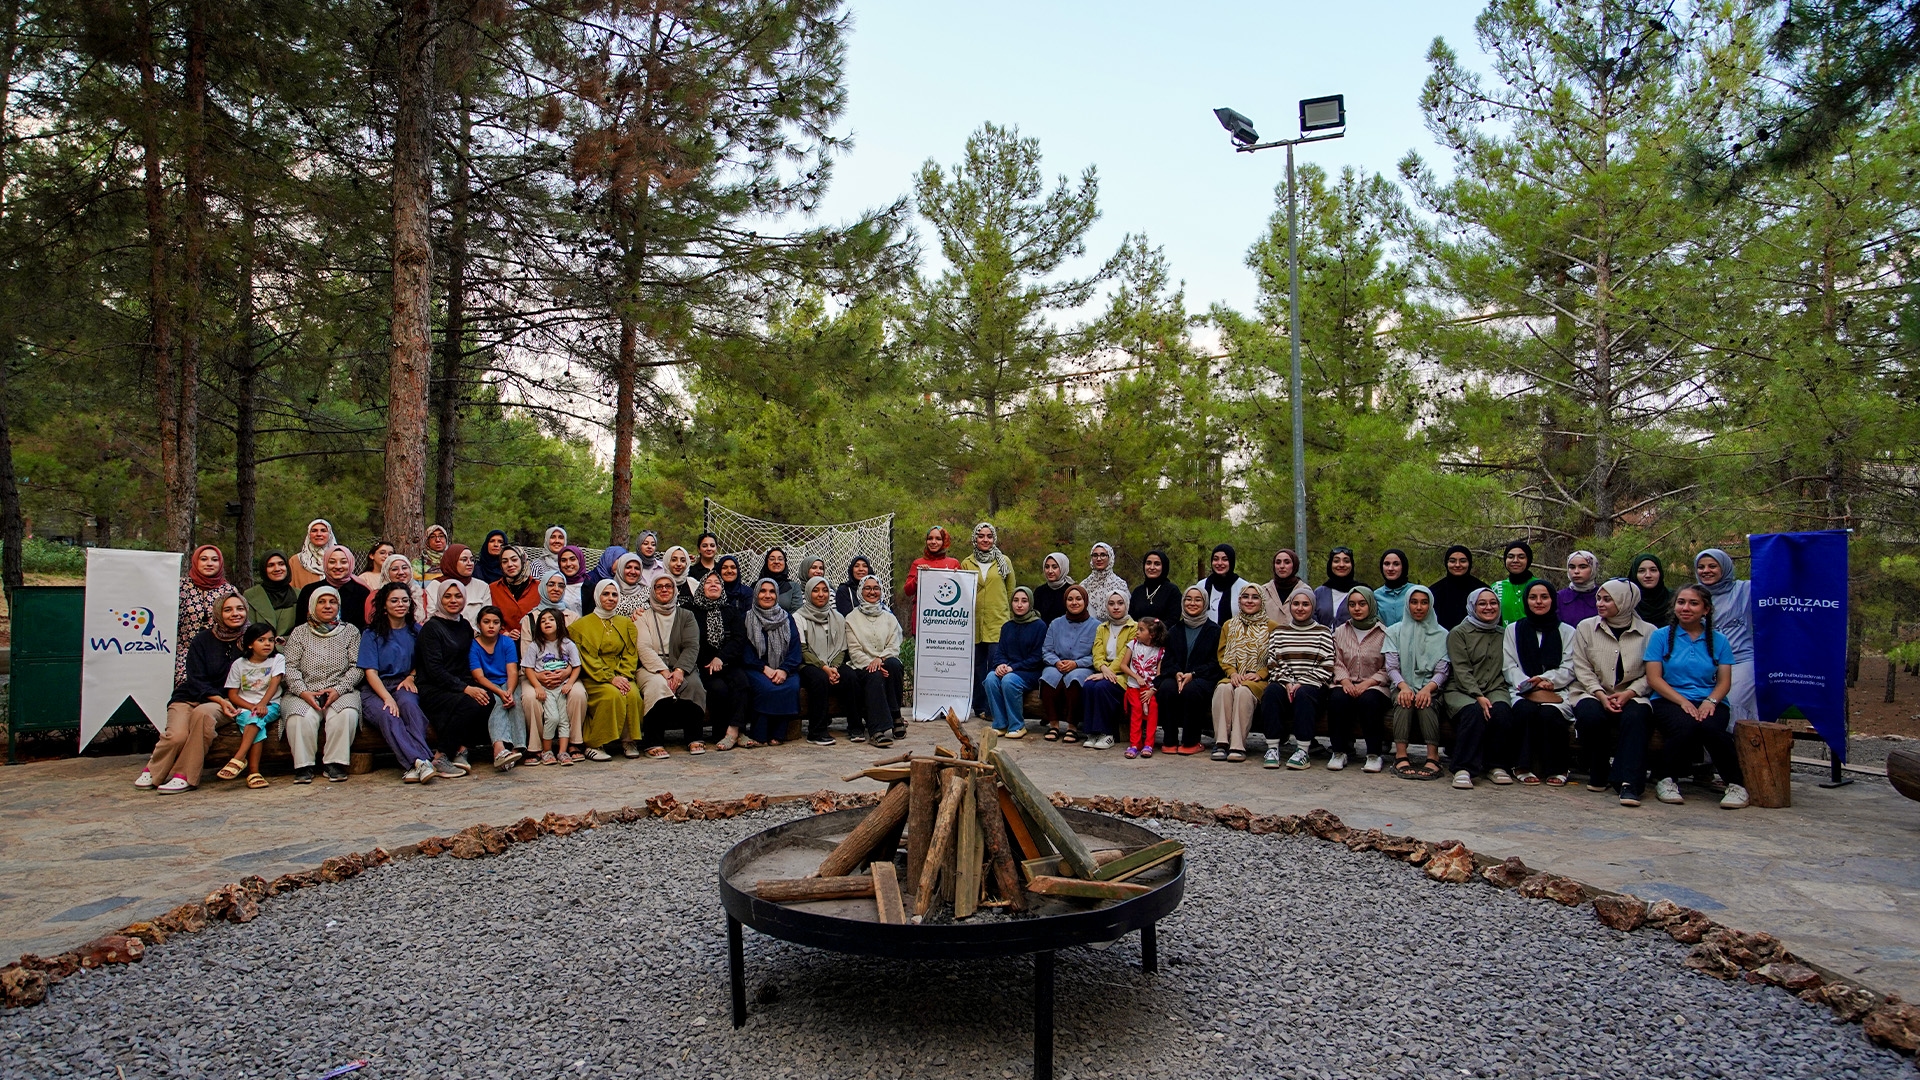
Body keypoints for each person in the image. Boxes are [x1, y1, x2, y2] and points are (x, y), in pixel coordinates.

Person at [1645, 583, 1749, 809]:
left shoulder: (1719, 640)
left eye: (1693, 603)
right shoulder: (1661, 636)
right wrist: (1682, 701)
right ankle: (1666, 779)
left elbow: (1724, 681)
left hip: (1709, 700)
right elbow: (1654, 679)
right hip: (1668, 699)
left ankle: (1736, 785)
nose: (1686, 607)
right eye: (1681, 602)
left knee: (1712, 729)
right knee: (1685, 726)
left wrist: (1710, 702)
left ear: (1706, 609)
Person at [138, 594, 249, 794]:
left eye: (240, 609)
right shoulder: (203, 639)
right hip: (190, 696)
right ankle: (154, 771)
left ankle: (184, 775)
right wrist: (215, 699)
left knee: (203, 716)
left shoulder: (252, 638)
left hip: (226, 700)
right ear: (218, 613)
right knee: (177, 736)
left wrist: (224, 702)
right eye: (228, 609)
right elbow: (195, 678)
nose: (235, 614)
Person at [1569, 579, 1657, 806]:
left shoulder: (1649, 632)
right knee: (1590, 715)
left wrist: (1630, 693)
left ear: (1625, 601)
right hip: (1593, 691)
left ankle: (1629, 782)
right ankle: (1598, 768)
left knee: (1636, 718)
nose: (1600, 603)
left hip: (1632, 694)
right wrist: (1599, 694)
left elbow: (1652, 673)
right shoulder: (1586, 627)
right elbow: (1581, 667)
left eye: (1607, 599)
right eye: (1599, 598)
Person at [279, 585, 364, 784]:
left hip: (340, 689)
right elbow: (290, 667)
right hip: (304, 690)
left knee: (346, 713)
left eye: (332, 602)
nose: (327, 606)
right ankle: (304, 766)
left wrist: (338, 689)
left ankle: (335, 764)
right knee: (299, 717)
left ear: (339, 605)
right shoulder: (299, 633)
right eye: (322, 602)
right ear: (312, 606)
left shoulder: (350, 632)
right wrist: (303, 692)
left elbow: (357, 667)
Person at [359, 582, 438, 784]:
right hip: (377, 687)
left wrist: (412, 676)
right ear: (384, 605)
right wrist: (387, 698)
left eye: (404, 600)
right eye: (394, 600)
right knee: (389, 713)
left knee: (410, 706)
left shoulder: (416, 631)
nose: (400, 604)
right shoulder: (371, 634)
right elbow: (370, 672)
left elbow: (424, 661)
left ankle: (416, 765)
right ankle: (421, 760)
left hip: (405, 682)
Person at [415, 580, 492, 778]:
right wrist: (465, 688)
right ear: (439, 599)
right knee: (470, 703)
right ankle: (442, 755)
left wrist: (472, 685)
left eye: (458, 596)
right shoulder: (431, 629)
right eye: (447, 596)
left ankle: (461, 748)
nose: (453, 600)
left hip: (459, 683)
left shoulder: (464, 626)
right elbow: (434, 670)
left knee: (489, 699)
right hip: (434, 686)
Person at [1503, 581, 1577, 785]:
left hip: (1557, 690)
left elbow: (1569, 666)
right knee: (1525, 711)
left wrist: (1547, 680)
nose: (1538, 602)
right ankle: (1521, 765)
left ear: (1552, 600)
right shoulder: (1513, 629)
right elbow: (1509, 665)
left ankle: (1557, 768)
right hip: (1522, 689)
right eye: (1533, 597)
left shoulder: (1567, 631)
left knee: (1549, 714)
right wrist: (1529, 683)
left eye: (1544, 597)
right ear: (1526, 601)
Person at [1256, 584, 1335, 770]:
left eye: (1305, 604)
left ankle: (1302, 750)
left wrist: (1300, 683)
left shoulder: (1323, 632)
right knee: (1271, 692)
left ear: (1312, 607)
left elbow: (1327, 665)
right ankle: (1273, 748)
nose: (1300, 608)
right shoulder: (1280, 632)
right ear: (1290, 606)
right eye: (1296, 603)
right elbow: (1274, 663)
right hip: (1285, 684)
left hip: (1313, 686)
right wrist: (1288, 683)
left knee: (1304, 695)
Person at [1444, 588, 1517, 789]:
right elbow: (1461, 670)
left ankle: (1496, 765)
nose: (1488, 607)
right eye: (1482, 603)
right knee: (1474, 712)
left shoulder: (1503, 634)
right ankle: (1463, 768)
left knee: (1501, 711)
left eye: (1493, 603)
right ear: (1472, 606)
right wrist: (1478, 695)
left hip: (1494, 686)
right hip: (1461, 689)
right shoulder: (1459, 633)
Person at [632, 573, 706, 755]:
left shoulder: (686, 616)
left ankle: (694, 737)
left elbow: (691, 646)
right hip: (651, 667)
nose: (664, 589)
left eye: (668, 586)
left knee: (694, 685)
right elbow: (644, 647)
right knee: (657, 686)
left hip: (681, 665)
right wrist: (664, 672)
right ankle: (653, 741)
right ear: (653, 591)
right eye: (659, 587)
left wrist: (680, 670)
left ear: (675, 590)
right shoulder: (642, 617)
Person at [1384, 585, 1451, 780]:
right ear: (1407, 605)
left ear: (1430, 605)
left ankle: (1432, 756)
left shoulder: (1442, 634)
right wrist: (1403, 686)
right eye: (1414, 602)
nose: (1419, 607)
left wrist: (1428, 689)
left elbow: (1442, 671)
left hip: (1431, 687)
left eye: (1424, 602)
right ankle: (1401, 754)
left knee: (1426, 703)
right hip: (1401, 684)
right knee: (1404, 702)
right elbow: (1391, 667)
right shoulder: (1394, 631)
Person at [574, 579, 644, 761]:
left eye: (614, 594)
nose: (611, 598)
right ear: (597, 596)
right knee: (610, 695)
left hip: (622, 674)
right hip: (594, 676)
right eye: (606, 594)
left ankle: (629, 741)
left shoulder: (626, 623)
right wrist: (610, 678)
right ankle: (595, 743)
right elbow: (586, 658)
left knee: (632, 694)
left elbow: (631, 653)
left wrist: (623, 675)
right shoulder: (581, 626)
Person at [212, 622, 283, 790]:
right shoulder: (239, 664)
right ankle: (253, 773)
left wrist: (262, 704)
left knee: (255, 719)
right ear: (250, 644)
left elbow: (275, 683)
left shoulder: (277, 659)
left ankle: (239, 757)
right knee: (255, 722)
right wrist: (252, 706)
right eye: (261, 640)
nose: (267, 644)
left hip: (271, 705)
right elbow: (233, 695)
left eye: (271, 640)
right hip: (246, 708)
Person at [1328, 586, 1392, 772]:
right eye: (1353, 604)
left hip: (1375, 686)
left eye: (1362, 604)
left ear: (1371, 605)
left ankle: (1373, 754)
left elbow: (1388, 665)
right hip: (1345, 683)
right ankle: (1339, 752)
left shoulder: (1384, 633)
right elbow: (1335, 660)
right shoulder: (1340, 631)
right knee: (1337, 699)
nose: (1357, 608)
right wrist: (1345, 680)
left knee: (1369, 701)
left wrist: (1369, 683)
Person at [1210, 583, 1273, 762]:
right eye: (1246, 597)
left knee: (1243, 691)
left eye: (1255, 597)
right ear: (1239, 600)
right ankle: (1221, 742)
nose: (1250, 601)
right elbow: (1222, 655)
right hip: (1234, 675)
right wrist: (1232, 673)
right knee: (1223, 689)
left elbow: (1276, 658)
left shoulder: (1271, 626)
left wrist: (1260, 673)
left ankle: (1238, 745)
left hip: (1258, 679)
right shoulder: (1229, 625)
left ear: (1262, 601)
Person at [1156, 587, 1221, 755]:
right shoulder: (1175, 630)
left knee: (1191, 691)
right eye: (1189, 599)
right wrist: (1177, 673)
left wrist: (1193, 674)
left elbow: (1216, 663)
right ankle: (1169, 740)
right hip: (1176, 676)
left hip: (1203, 678)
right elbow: (1168, 660)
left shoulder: (1214, 631)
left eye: (1198, 599)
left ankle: (1191, 742)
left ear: (1205, 603)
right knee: (1166, 689)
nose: (1192, 603)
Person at [1694, 548, 1756, 723]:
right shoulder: (1695, 595)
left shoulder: (1745, 590)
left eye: (1712, 566)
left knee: (1732, 706)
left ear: (1724, 567)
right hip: (1707, 663)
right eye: (1701, 567)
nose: (1706, 571)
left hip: (1741, 660)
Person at [691, 572, 751, 751]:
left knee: (742, 682)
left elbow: (739, 639)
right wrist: (710, 661)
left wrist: (721, 658)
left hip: (728, 662)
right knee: (718, 689)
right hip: (704, 666)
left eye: (717, 582)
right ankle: (721, 732)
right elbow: (693, 641)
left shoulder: (730, 610)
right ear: (702, 587)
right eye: (708, 582)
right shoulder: (692, 612)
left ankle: (734, 731)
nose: (713, 585)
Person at [518, 607, 585, 766]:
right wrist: (537, 686)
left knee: (563, 720)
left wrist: (569, 683)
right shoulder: (536, 645)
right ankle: (546, 751)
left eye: (551, 619)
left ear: (560, 623)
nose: (547, 622)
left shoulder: (568, 644)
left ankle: (563, 752)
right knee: (552, 718)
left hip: (562, 687)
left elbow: (576, 666)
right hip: (545, 688)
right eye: (543, 620)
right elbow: (528, 667)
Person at [844, 576, 906, 745]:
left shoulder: (889, 617)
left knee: (894, 665)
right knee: (874, 675)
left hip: (884, 660)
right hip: (861, 665)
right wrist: (872, 663)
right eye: (867, 588)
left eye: (876, 588)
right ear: (860, 591)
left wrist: (880, 659)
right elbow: (854, 651)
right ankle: (876, 729)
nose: (872, 592)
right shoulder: (851, 618)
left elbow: (894, 645)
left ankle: (895, 715)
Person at [741, 578, 803, 746]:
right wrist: (764, 669)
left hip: (784, 668)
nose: (767, 595)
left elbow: (795, 649)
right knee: (766, 688)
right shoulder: (746, 618)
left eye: (771, 591)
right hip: (756, 668)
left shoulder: (787, 618)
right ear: (756, 594)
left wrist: (784, 670)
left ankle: (778, 733)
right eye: (763, 591)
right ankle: (760, 733)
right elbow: (745, 651)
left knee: (790, 686)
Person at [967, 522, 1017, 717]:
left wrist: (1013, 619)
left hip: (999, 621)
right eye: (981, 536)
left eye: (989, 536)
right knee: (978, 667)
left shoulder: (1004, 561)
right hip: (975, 623)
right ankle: (979, 707)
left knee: (995, 666)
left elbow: (1011, 590)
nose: (985, 539)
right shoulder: (967, 562)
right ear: (975, 538)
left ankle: (993, 708)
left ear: (994, 538)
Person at [796, 577, 854, 746]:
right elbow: (803, 650)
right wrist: (825, 668)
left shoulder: (838, 617)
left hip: (832, 663)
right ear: (808, 593)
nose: (821, 594)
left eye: (825, 590)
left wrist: (834, 667)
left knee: (850, 676)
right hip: (808, 665)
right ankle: (817, 731)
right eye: (816, 590)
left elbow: (841, 647)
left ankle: (855, 726)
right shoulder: (798, 617)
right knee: (819, 679)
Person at [983, 586, 1046, 737]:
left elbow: (1038, 657)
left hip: (1030, 672)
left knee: (1009, 681)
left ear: (1030, 603)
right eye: (1016, 601)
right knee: (991, 678)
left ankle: (1017, 725)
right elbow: (1000, 652)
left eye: (1024, 601)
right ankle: (1000, 724)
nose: (1019, 604)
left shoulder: (1039, 626)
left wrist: (1013, 668)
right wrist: (1000, 665)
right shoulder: (1007, 626)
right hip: (1009, 670)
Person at [468, 606, 525, 772]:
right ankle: (499, 748)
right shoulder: (474, 646)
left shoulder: (506, 642)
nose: (491, 626)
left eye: (495, 622)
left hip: (507, 682)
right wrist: (501, 693)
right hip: (486, 683)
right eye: (486, 622)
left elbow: (512, 671)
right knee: (497, 702)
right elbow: (479, 676)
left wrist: (509, 690)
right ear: (479, 625)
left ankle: (518, 748)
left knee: (516, 700)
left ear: (501, 626)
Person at [1079, 590, 1137, 751]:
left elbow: (1126, 654)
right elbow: (1097, 653)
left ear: (1127, 605)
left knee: (1102, 687)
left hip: (1124, 674)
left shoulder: (1134, 627)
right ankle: (1092, 732)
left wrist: (1108, 672)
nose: (1116, 607)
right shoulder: (1102, 627)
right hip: (1103, 671)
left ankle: (1107, 733)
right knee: (1089, 686)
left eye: (1120, 603)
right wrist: (1103, 669)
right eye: (1111, 604)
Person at [1039, 584, 1097, 742]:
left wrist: (1076, 664)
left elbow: (1096, 656)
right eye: (1070, 599)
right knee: (1048, 678)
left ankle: (1072, 726)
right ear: (1065, 602)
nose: (1074, 602)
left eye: (1078, 599)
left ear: (1085, 601)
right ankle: (1054, 725)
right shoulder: (1055, 624)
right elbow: (1046, 650)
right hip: (1057, 664)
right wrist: (1056, 663)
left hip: (1082, 667)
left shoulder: (1096, 626)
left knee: (1076, 680)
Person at [176, 544, 241, 684]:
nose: (209, 563)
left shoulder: (228, 590)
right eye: (204, 559)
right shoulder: (180, 587)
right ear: (196, 561)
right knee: (187, 686)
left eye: (214, 559)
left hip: (218, 653)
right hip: (183, 653)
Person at [294, 544, 372, 632]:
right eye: (332, 562)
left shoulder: (362, 592)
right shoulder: (309, 591)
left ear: (350, 563)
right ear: (325, 564)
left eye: (343, 562)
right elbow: (300, 626)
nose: (338, 566)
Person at [902, 526, 961, 635]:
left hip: (946, 620)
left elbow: (961, 594)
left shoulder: (954, 563)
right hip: (923, 619)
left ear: (944, 541)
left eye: (938, 539)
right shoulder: (918, 563)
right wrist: (917, 578)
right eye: (930, 538)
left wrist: (960, 577)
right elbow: (907, 591)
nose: (933, 542)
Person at [1123, 617, 1167, 758]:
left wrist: (1152, 690)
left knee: (1152, 709)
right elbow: (1123, 665)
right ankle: (1135, 744)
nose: (1137, 632)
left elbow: (1159, 674)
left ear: (1152, 634)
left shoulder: (1160, 651)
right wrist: (1136, 677)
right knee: (1136, 709)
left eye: (1141, 630)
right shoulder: (1133, 645)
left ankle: (1149, 743)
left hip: (1150, 689)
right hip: (1134, 687)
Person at [1428, 545, 1488, 630]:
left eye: (1463, 561)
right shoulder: (1434, 591)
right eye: (1452, 561)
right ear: (1446, 563)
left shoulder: (1482, 590)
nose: (1457, 565)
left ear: (1469, 563)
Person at [243, 549, 299, 640]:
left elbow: (303, 630)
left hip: (292, 649)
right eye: (271, 565)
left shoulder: (299, 595)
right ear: (264, 569)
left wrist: (285, 640)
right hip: (260, 650)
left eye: (281, 564)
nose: (277, 569)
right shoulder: (251, 595)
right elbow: (249, 630)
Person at [1193, 543, 1252, 625]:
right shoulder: (1202, 586)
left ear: (1231, 561)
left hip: (1234, 635)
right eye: (1216, 559)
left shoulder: (1244, 587)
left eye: (1224, 559)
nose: (1219, 563)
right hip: (1206, 635)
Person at [489, 547, 541, 637]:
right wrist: (504, 633)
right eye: (505, 561)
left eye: (514, 560)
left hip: (534, 643)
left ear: (522, 561)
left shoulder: (539, 587)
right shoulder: (493, 588)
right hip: (503, 644)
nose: (510, 564)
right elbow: (488, 617)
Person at [437, 544, 494, 625]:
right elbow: (431, 615)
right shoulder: (437, 585)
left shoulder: (482, 586)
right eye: (464, 559)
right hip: (444, 634)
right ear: (452, 561)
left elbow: (487, 617)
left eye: (472, 560)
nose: (469, 563)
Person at [1490, 540, 1543, 625]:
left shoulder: (1540, 586)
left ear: (1528, 560)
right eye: (1510, 557)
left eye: (1521, 557)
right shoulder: (1496, 588)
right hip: (1504, 637)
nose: (1515, 560)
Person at [365, 553, 426, 626]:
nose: (401, 572)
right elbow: (371, 621)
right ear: (386, 573)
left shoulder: (421, 593)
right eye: (394, 569)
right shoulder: (376, 595)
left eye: (404, 568)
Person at [1129, 550, 1181, 626]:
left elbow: (1173, 620)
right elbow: (1131, 618)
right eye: (1148, 563)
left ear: (1164, 566)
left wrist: (1152, 633)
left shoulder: (1172, 591)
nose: (1152, 567)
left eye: (1157, 564)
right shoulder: (1138, 591)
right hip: (1138, 635)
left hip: (1164, 636)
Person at [1312, 546, 1360, 629]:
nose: (1341, 565)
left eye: (1346, 561)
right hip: (1322, 640)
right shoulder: (1319, 593)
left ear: (1352, 565)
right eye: (1336, 561)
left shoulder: (1360, 592)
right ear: (1330, 564)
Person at [1257, 548, 1304, 624]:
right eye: (1278, 562)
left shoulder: (1305, 591)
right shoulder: (1263, 591)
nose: (1282, 566)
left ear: (1294, 565)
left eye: (1287, 562)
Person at [1557, 550, 1601, 627]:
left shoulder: (1602, 596)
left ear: (1593, 568)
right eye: (1572, 567)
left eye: (1582, 567)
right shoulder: (1558, 597)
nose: (1576, 571)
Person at [1373, 549, 1415, 628]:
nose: (1390, 568)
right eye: (1386, 564)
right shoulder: (1376, 595)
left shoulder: (1415, 591)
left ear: (1403, 566)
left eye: (1396, 564)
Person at [290, 519, 335, 590]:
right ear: (309, 534)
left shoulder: (338, 559)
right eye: (314, 531)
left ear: (330, 534)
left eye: (323, 530)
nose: (319, 534)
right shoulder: (296, 561)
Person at [1631, 553, 1673, 627]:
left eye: (1653, 570)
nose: (1648, 575)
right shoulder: (1628, 602)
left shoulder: (1674, 599)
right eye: (1641, 571)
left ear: (1660, 573)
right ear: (1634, 574)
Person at [757, 546, 802, 613]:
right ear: (766, 562)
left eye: (780, 559)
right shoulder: (756, 586)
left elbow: (796, 612)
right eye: (772, 559)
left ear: (785, 563)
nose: (776, 562)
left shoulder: (793, 587)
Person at [611, 552, 653, 619]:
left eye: (637, 568)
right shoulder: (610, 591)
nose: (633, 572)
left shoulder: (648, 591)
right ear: (620, 569)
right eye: (628, 567)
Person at [1034, 552, 1072, 623]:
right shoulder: (1039, 592)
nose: (1050, 571)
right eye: (1047, 567)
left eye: (1054, 567)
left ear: (1063, 568)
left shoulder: (1071, 591)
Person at [559, 545, 589, 611]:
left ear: (580, 561)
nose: (568, 564)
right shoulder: (554, 584)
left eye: (572, 559)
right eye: (564, 560)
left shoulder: (589, 588)